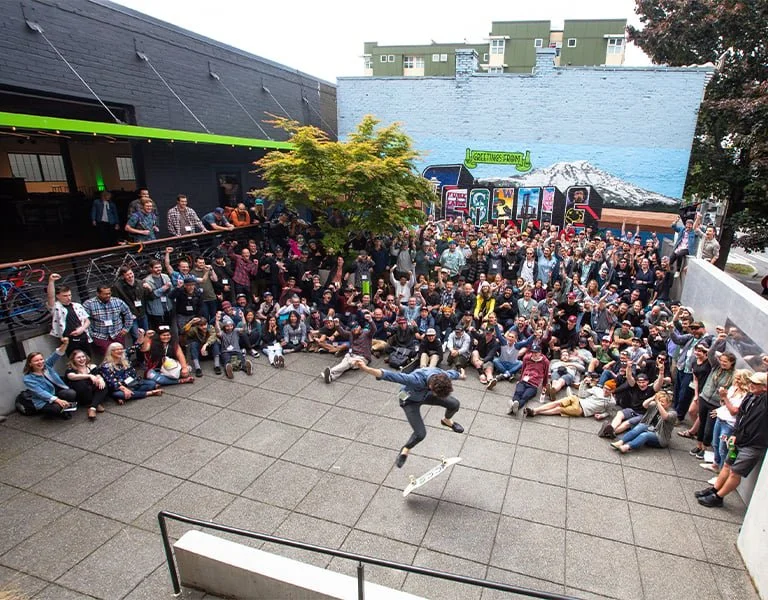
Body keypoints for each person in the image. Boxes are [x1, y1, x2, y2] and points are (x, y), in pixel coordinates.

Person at [354, 359, 466, 468]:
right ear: (431, 387)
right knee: (420, 434)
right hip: (409, 400)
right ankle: (405, 449)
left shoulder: (442, 376)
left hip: (425, 395)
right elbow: (389, 375)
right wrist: (366, 368)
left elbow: (453, 374)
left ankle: (446, 421)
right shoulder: (415, 379)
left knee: (454, 404)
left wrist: (461, 376)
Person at [695, 371, 768, 507]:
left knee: (735, 472)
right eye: (751, 382)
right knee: (727, 465)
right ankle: (715, 489)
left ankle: (718, 497)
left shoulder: (764, 401)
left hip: (752, 445)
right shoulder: (750, 397)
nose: (751, 385)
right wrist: (734, 434)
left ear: (764, 387)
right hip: (739, 439)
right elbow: (740, 416)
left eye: (756, 383)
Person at [22, 337, 77, 419]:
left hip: (56, 393)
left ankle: (65, 408)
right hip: (44, 400)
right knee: (56, 408)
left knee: (71, 393)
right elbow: (41, 393)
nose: (40, 362)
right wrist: (57, 400)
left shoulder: (47, 365)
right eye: (36, 361)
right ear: (30, 364)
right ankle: (57, 411)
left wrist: (65, 343)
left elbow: (57, 354)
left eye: (41, 359)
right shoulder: (28, 379)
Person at [610, 391, 677, 452]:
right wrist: (653, 397)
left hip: (660, 436)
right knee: (639, 427)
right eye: (659, 401)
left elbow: (665, 416)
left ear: (669, 404)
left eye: (662, 402)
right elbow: (644, 405)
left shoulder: (673, 413)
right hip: (649, 427)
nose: (660, 403)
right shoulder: (655, 405)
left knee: (645, 435)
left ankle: (627, 446)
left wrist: (658, 403)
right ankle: (621, 442)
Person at [527, 376, 616, 419]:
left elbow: (608, 412)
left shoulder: (611, 401)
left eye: (608, 390)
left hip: (582, 410)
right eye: (605, 388)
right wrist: (583, 383)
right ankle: (535, 410)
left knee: (558, 409)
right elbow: (582, 394)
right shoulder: (597, 389)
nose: (605, 390)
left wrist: (602, 415)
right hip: (578, 399)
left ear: (612, 391)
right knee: (557, 403)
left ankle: (536, 413)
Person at [46, 273, 91, 356]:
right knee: (74, 358)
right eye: (65, 296)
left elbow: (87, 320)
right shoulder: (56, 307)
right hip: (68, 338)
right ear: (58, 296)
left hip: (82, 336)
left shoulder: (77, 305)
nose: (68, 298)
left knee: (87, 356)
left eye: (69, 295)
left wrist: (82, 328)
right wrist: (51, 281)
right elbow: (50, 297)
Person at [83, 286, 135, 356]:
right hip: (100, 336)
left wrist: (126, 328)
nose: (108, 296)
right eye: (105, 294)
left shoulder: (117, 301)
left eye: (109, 293)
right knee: (108, 356)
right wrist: (91, 334)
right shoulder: (89, 304)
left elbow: (128, 314)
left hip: (117, 333)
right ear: (98, 294)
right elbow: (84, 319)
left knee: (121, 355)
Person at [322, 317, 373, 383]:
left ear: (360, 327)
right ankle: (331, 377)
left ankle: (331, 371)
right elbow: (342, 332)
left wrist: (370, 320)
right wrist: (337, 325)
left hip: (363, 358)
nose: (355, 329)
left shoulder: (366, 334)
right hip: (351, 354)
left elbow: (373, 329)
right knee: (344, 364)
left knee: (348, 363)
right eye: (353, 328)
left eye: (356, 327)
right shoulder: (351, 334)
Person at [65, 348, 108, 421]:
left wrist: (101, 379)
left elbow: (98, 375)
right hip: (82, 395)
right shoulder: (71, 369)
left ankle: (92, 407)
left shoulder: (91, 366)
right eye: (78, 357)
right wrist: (89, 376)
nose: (82, 359)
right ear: (73, 359)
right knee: (82, 384)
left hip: (93, 392)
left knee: (103, 385)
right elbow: (71, 376)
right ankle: (96, 403)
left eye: (83, 356)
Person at [513, 342, 550, 416]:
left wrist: (544, 385)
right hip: (524, 381)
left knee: (525, 396)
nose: (534, 354)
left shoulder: (545, 362)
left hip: (533, 385)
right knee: (518, 392)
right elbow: (523, 369)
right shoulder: (526, 358)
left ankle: (514, 407)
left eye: (536, 353)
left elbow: (546, 374)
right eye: (533, 352)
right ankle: (514, 405)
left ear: (540, 353)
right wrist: (520, 380)